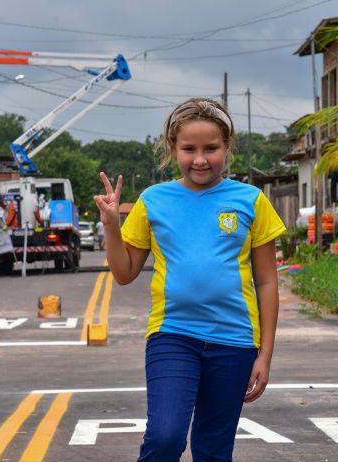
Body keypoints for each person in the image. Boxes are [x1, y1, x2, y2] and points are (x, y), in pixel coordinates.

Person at [94, 98, 285, 462]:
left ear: (227, 147)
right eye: (189, 149)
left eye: (211, 148)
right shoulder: (154, 200)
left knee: (214, 449)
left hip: (235, 342)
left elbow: (266, 282)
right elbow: (123, 273)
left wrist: (265, 355)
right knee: (165, 437)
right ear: (172, 149)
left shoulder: (251, 201)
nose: (200, 159)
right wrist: (111, 226)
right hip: (173, 337)